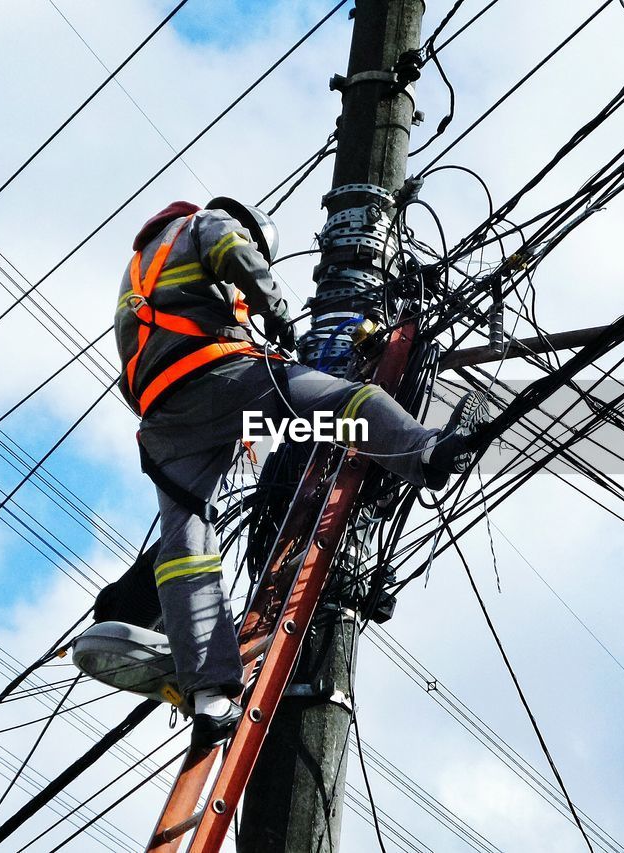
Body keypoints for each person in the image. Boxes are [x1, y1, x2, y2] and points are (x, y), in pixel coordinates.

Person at [115, 198, 485, 747]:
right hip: (222, 376)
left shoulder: (138, 269)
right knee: (346, 403)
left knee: (185, 546)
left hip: (165, 419)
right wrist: (281, 313)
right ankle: (425, 452)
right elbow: (233, 253)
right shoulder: (207, 225)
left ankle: (210, 695)